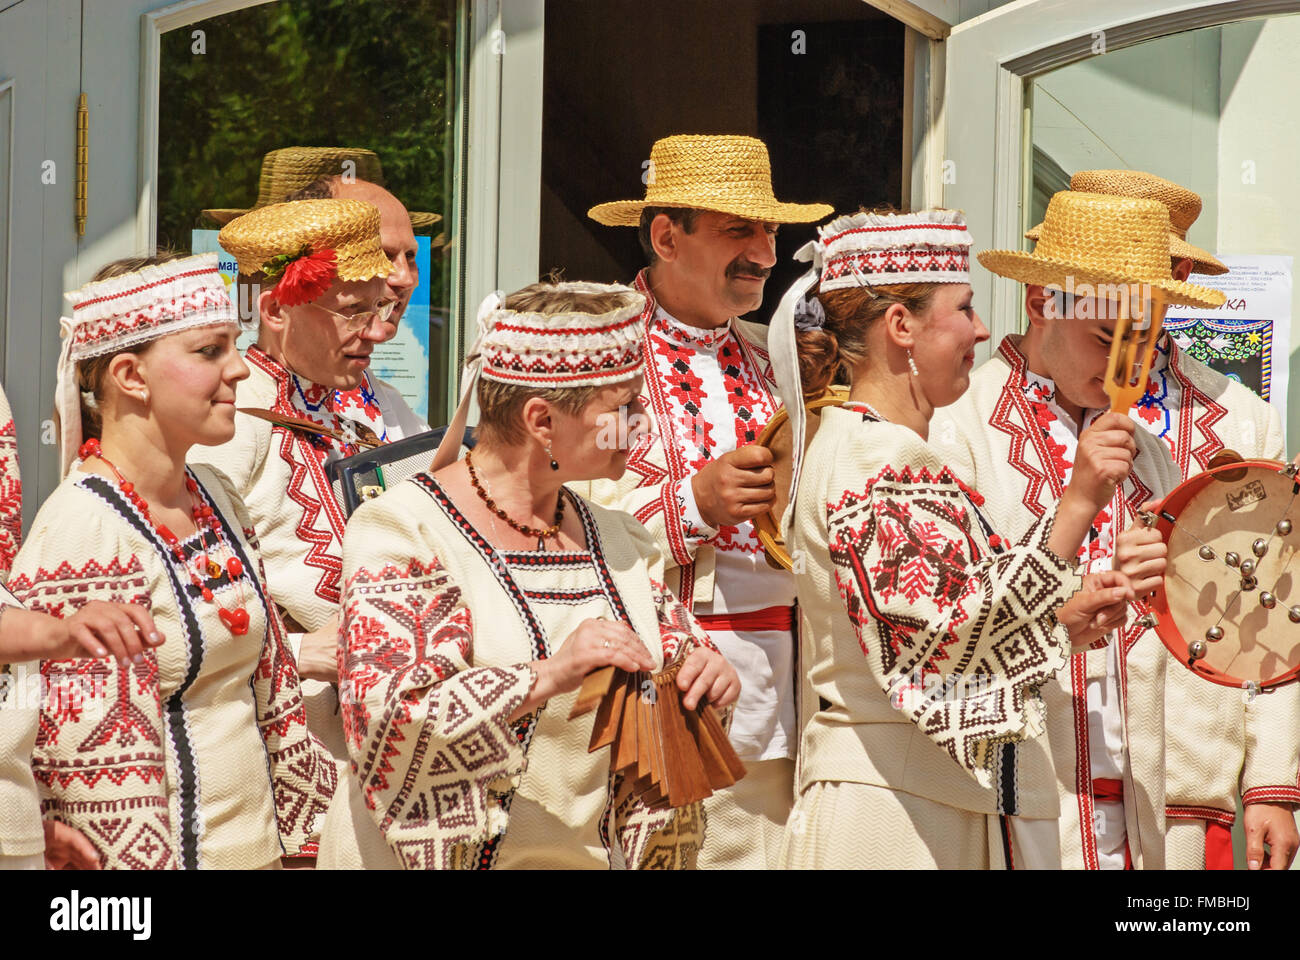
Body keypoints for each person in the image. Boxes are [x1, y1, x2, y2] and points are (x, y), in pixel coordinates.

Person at [320, 281, 739, 868]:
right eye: (624, 409)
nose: (640, 426)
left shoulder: (616, 539)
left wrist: (706, 680)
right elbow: (389, 718)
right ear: (542, 421)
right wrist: (548, 675)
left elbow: (674, 669)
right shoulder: (404, 530)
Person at [769, 208, 1137, 869]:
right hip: (893, 819)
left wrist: (1062, 621)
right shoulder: (873, 459)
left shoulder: (878, 449)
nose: (984, 328)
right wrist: (1079, 500)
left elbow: (950, 623)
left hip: (916, 806)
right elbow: (947, 640)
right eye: (964, 309)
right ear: (901, 326)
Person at [6, 253, 335, 868]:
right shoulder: (85, 533)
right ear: (130, 375)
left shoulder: (216, 493)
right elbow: (84, 772)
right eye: (209, 351)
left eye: (233, 346)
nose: (239, 370)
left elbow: (269, 694)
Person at [934, 190, 1229, 868]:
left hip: (1139, 811)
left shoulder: (1149, 452)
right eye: (1107, 337)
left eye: (1146, 342)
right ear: (1043, 303)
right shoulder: (956, 429)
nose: (1130, 366)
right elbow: (943, 636)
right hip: (1010, 801)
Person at [1025, 170, 1300, 871]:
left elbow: (1269, 614)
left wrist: (1272, 781)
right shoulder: (976, 411)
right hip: (1044, 788)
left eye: (1164, 269)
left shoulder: (1237, 416)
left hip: (1188, 784)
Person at [581, 134, 831, 869]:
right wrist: (692, 503)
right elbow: (571, 519)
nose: (763, 251)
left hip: (785, 713)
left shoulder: (778, 361)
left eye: (770, 231)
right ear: (666, 236)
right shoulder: (602, 361)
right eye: (739, 230)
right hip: (655, 711)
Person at [190, 199, 416, 813]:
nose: (375, 330)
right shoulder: (233, 419)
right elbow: (184, 603)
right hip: (286, 754)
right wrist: (296, 652)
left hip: (374, 749)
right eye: (352, 311)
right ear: (275, 309)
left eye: (379, 307)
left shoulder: (365, 406)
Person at [204, 145, 437, 439]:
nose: (406, 278)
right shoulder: (236, 416)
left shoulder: (389, 403)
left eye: (411, 256)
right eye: (378, 254)